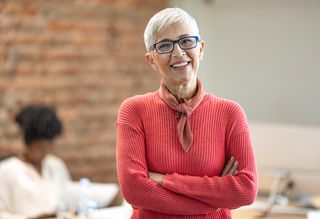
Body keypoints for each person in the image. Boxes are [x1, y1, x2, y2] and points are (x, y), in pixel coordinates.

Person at [116, 7, 257, 219]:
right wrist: (215, 200)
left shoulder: (230, 113)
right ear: (151, 59)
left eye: (186, 41)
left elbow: (246, 190)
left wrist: (165, 180)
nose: (178, 53)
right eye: (164, 45)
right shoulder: (134, 111)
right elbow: (135, 191)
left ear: (201, 48)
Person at [0, 105, 64, 218]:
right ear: (27, 144)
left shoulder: (55, 165)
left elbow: (68, 193)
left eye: (49, 146)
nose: (45, 152)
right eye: (40, 147)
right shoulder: (6, 172)